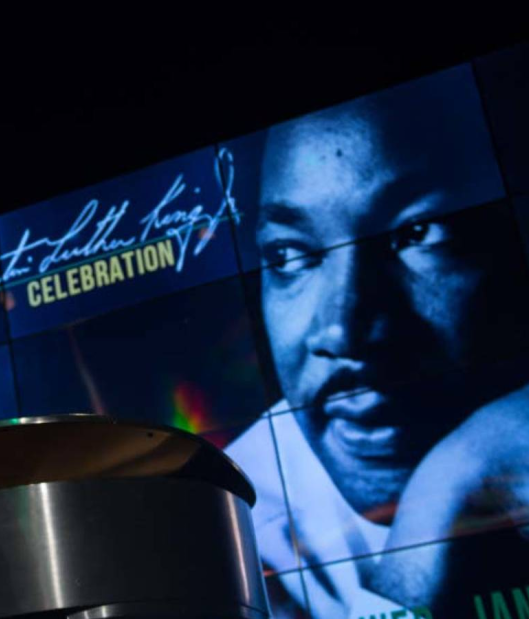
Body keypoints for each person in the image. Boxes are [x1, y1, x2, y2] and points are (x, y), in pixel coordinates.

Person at [224, 73, 529, 618]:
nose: (342, 328)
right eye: (291, 256)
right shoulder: (237, 521)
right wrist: (447, 491)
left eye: (419, 232)